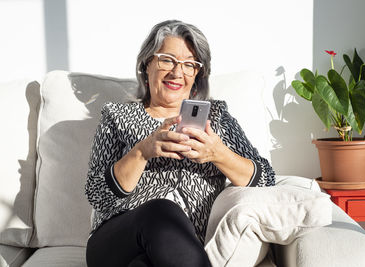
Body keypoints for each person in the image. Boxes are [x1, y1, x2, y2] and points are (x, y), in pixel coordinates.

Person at [85, 20, 275, 267]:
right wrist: (142, 151)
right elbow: (97, 194)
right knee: (160, 211)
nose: (177, 72)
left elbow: (266, 180)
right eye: (167, 60)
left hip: (180, 250)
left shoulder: (217, 117)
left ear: (197, 74)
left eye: (189, 65)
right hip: (116, 243)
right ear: (147, 64)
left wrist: (218, 154)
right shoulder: (117, 116)